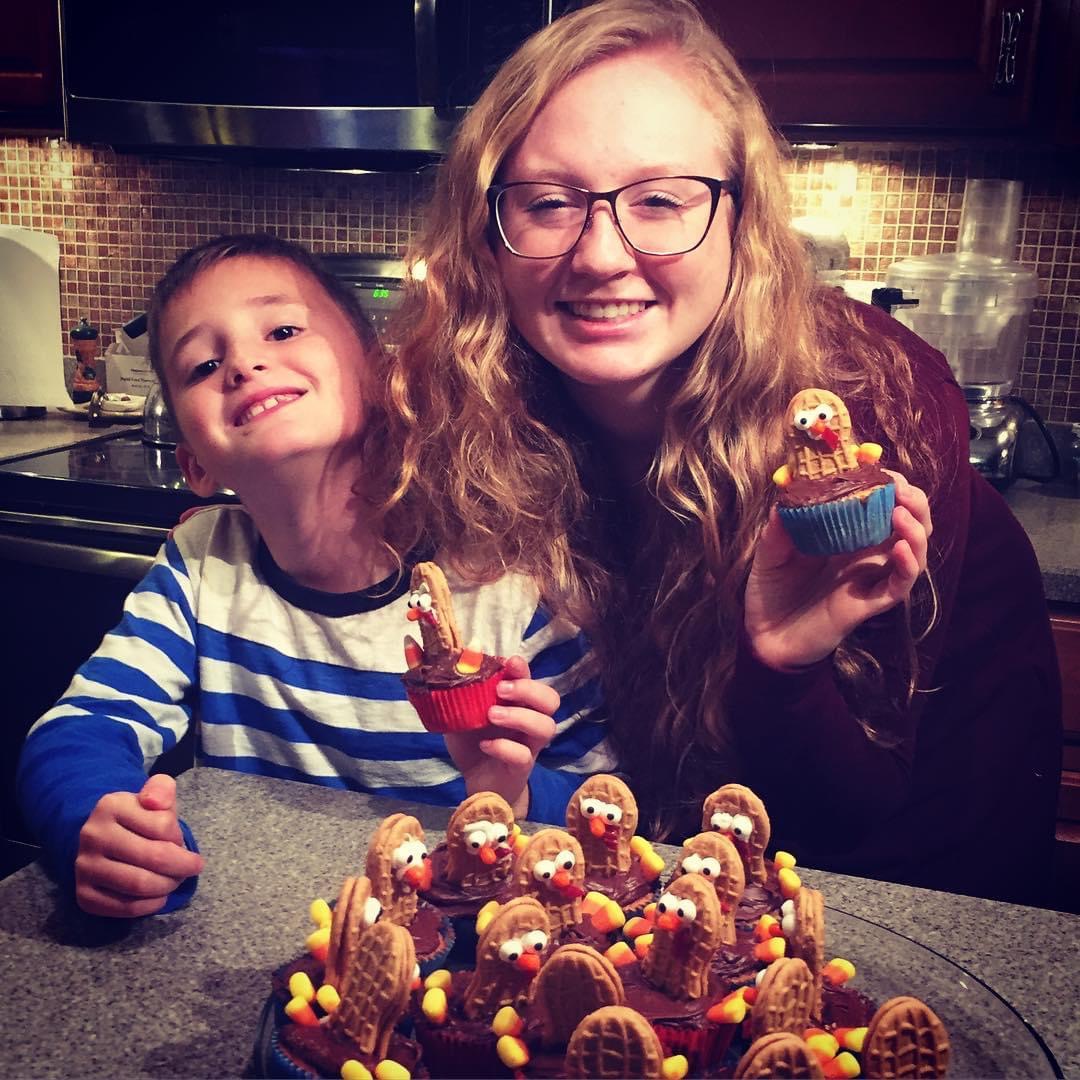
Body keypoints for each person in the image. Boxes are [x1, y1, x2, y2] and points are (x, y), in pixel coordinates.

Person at [376, 0, 1062, 905]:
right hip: (664, 897)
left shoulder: (865, 420)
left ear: (741, 220)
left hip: (919, 909)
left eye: (661, 200)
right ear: (488, 236)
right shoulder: (488, 406)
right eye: (549, 203)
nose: (600, 255)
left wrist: (782, 668)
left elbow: (854, 831)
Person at [16, 234, 612, 918]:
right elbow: (81, 726)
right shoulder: (203, 566)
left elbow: (610, 814)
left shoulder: (512, 590)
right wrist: (100, 819)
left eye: (283, 329)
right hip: (249, 941)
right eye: (203, 364)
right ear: (195, 465)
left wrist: (516, 795)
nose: (242, 363)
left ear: (382, 378)